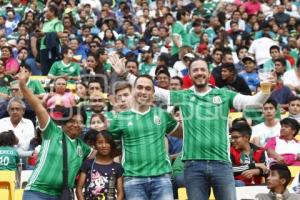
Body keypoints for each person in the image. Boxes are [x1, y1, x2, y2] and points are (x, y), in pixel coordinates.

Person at [109, 54, 272, 200]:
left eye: (203, 69)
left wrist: (266, 89)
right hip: (193, 166)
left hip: (221, 164)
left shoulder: (224, 95)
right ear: (189, 74)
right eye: (195, 70)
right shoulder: (184, 96)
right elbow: (153, 91)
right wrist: (126, 75)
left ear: (208, 73)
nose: (199, 73)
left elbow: (253, 103)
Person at [18, 68, 93, 199]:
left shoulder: (83, 147)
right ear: (63, 122)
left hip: (62, 196)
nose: (76, 125)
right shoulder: (52, 131)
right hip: (37, 193)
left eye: (80, 122)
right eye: (72, 121)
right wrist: (23, 86)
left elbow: (106, 150)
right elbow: (39, 107)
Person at [108, 75, 181, 200]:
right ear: (133, 90)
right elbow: (112, 151)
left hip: (162, 178)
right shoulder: (119, 119)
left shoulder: (163, 116)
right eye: (139, 87)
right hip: (133, 180)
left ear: (153, 93)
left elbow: (183, 133)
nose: (143, 91)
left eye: (148, 88)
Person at [76, 131, 124, 200]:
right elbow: (79, 189)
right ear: (95, 145)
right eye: (100, 142)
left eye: (107, 142)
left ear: (112, 145)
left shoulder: (117, 167)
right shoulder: (87, 164)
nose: (104, 145)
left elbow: (120, 193)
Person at [230, 122, 267, 186]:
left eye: (236, 137)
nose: (232, 140)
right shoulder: (230, 151)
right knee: (239, 183)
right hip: (237, 187)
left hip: (256, 187)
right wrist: (253, 165)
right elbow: (230, 169)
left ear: (246, 137)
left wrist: (257, 171)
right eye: (232, 138)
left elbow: (266, 170)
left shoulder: (260, 151)